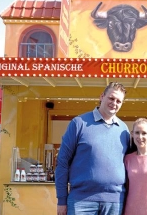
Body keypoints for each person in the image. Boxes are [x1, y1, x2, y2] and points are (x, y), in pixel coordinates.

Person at [55, 82, 130, 215]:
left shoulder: (124, 130)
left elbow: (131, 164)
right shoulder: (79, 123)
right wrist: (61, 200)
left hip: (115, 202)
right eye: (111, 98)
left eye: (119, 101)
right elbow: (62, 163)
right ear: (102, 96)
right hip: (81, 201)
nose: (114, 103)